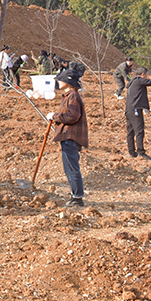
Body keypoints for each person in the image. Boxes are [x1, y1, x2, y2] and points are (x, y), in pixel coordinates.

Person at [47, 67, 88, 207]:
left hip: (71, 136)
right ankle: (75, 195)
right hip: (68, 135)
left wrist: (55, 116)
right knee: (69, 167)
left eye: (61, 80)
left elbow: (72, 116)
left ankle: (77, 198)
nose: (58, 82)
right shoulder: (70, 96)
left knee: (71, 167)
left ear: (69, 82)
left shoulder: (73, 96)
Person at [125, 67, 151, 159]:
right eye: (147, 75)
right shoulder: (139, 80)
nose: (147, 77)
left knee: (131, 132)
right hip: (135, 110)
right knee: (139, 131)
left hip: (129, 110)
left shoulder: (133, 82)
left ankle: (132, 152)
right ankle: (141, 152)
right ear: (143, 74)